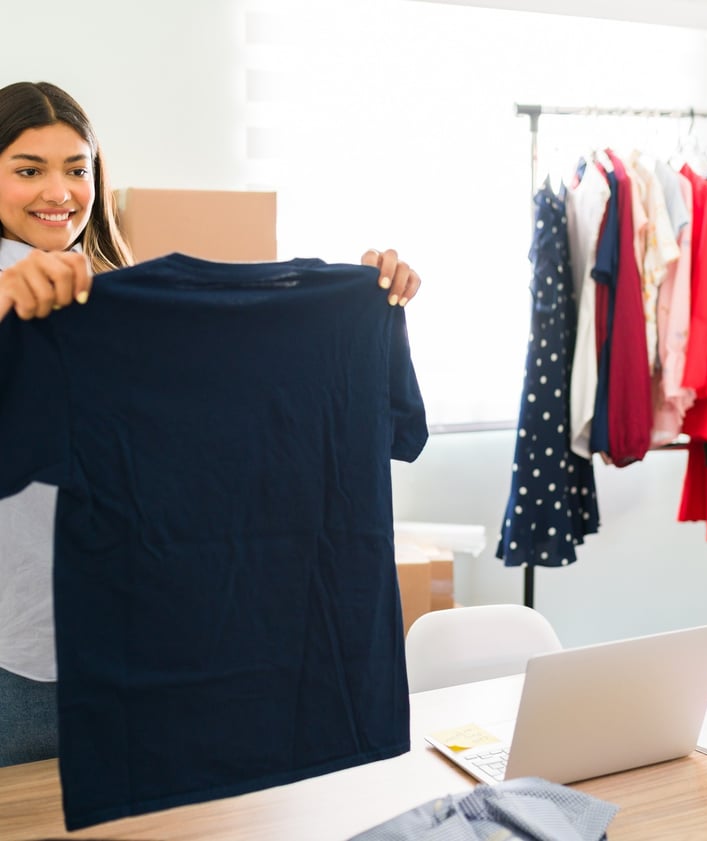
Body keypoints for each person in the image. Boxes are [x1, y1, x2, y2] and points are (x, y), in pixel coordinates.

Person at [0, 80, 422, 767]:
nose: (59, 191)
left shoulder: (110, 295)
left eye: (77, 169)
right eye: (28, 169)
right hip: (27, 658)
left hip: (146, 638)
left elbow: (226, 401)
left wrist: (364, 307)